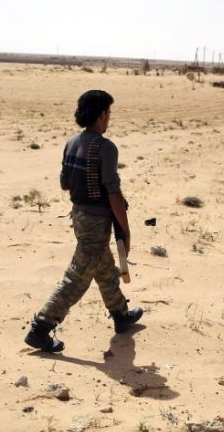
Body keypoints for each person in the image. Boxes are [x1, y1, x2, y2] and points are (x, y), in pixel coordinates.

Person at [23, 90, 143, 353]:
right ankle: (41, 327)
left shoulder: (72, 142)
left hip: (78, 216)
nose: (109, 118)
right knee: (77, 277)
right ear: (101, 115)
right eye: (108, 113)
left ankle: (121, 315)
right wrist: (125, 231)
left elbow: (65, 184)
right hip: (97, 222)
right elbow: (113, 194)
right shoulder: (106, 147)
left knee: (104, 267)